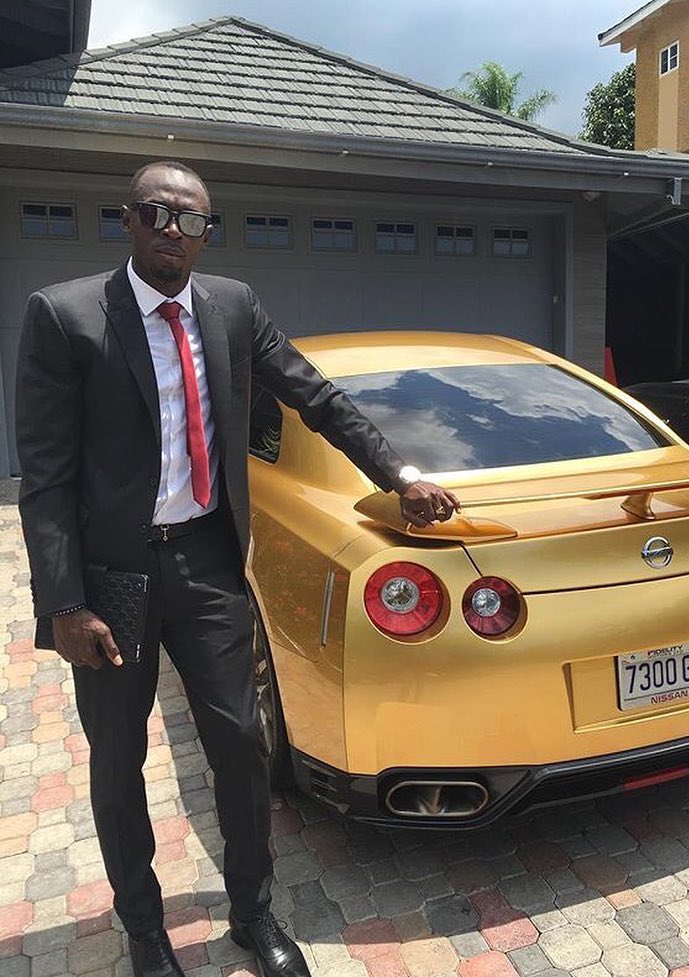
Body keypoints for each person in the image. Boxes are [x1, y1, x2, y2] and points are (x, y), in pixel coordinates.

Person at [15, 160, 460, 977]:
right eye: (158, 213)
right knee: (117, 761)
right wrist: (64, 603)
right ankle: (144, 930)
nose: (174, 230)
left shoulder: (231, 306)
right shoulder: (66, 315)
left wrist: (398, 475)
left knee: (242, 744)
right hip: (112, 578)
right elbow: (44, 477)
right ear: (128, 219)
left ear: (207, 232)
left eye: (191, 219)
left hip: (207, 561)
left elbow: (316, 397)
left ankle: (253, 912)